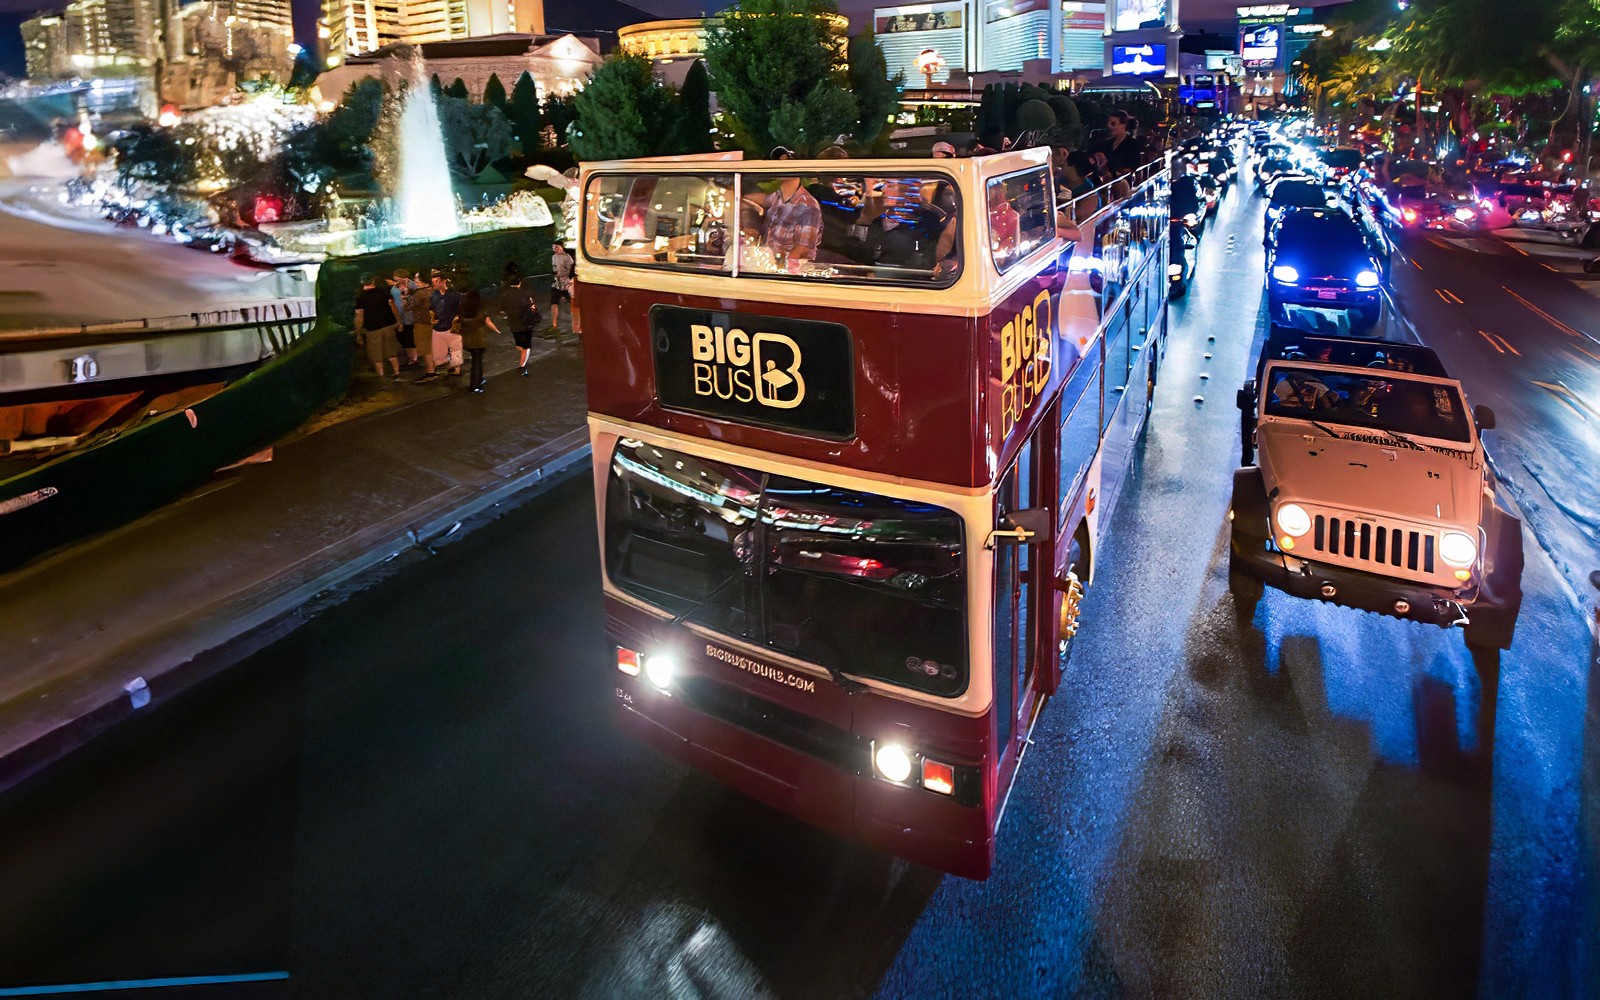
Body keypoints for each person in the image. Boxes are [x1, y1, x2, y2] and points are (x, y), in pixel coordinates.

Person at [763, 174, 822, 271]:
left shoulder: (808, 205)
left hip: (789, 270)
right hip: (769, 264)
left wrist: (778, 273)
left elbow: (801, 249)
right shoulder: (778, 196)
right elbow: (761, 199)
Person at [354, 273, 401, 379]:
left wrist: (358, 333)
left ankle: (381, 375)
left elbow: (359, 317)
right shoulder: (384, 292)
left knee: (376, 354)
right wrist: (399, 321)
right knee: (391, 350)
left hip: (372, 328)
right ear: (373, 281)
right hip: (388, 325)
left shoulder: (361, 298)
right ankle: (396, 372)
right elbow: (393, 308)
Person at [457, 289, 501, 393]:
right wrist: (497, 330)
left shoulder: (463, 311)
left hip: (468, 339)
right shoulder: (481, 309)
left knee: (476, 361)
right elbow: (487, 321)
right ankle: (475, 385)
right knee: (477, 363)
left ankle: (479, 381)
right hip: (478, 339)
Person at [500, 267, 540, 374]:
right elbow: (532, 306)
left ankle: (522, 359)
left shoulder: (505, 295)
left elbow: (502, 310)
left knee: (519, 344)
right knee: (526, 345)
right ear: (519, 283)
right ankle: (522, 365)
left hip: (513, 323)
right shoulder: (525, 293)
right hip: (526, 322)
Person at [430, 270, 463, 376]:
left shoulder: (454, 294)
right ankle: (445, 365)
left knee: (455, 348)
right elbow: (431, 308)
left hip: (451, 324)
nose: (435, 283)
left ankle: (457, 367)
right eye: (433, 281)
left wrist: (457, 318)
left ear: (443, 281)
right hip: (438, 325)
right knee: (439, 350)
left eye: (437, 281)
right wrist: (432, 317)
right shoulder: (434, 295)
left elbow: (460, 308)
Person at [408, 274, 438, 382]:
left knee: (426, 348)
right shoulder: (433, 291)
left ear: (422, 281)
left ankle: (430, 372)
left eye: (416, 278)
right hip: (433, 322)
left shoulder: (419, 294)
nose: (415, 280)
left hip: (422, 323)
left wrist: (406, 295)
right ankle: (434, 367)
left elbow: (407, 306)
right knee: (432, 346)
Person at [1098, 112, 1144, 177]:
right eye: (1108, 123)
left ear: (1124, 125)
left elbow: (1135, 167)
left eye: (1113, 123)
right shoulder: (1106, 144)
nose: (1109, 125)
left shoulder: (1133, 144)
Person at [389, 268, 418, 369]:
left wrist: (406, 291)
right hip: (399, 315)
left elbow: (415, 298)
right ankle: (410, 356)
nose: (395, 280)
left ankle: (413, 359)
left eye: (397, 278)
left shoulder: (412, 285)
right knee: (401, 337)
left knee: (409, 337)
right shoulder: (395, 287)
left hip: (410, 316)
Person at [549, 242, 574, 334]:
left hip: (567, 283)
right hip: (557, 283)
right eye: (554, 248)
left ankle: (576, 322)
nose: (555, 249)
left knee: (572, 303)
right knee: (554, 302)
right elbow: (554, 268)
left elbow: (571, 269)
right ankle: (554, 322)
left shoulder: (567, 257)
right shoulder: (554, 257)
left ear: (561, 247)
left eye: (557, 247)